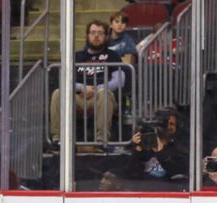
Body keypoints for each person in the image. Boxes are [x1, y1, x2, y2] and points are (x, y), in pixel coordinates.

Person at [50, 20, 124, 152]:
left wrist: (97, 89)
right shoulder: (76, 56)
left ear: (106, 37)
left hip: (101, 98)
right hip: (79, 98)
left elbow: (119, 80)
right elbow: (64, 80)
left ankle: (101, 141)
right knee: (58, 93)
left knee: (104, 94)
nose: (96, 36)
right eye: (93, 32)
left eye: (100, 33)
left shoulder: (113, 56)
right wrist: (82, 88)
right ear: (87, 35)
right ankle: (58, 140)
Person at [128, 107, 188, 183]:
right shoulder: (146, 145)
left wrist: (160, 151)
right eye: (164, 123)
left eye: (172, 124)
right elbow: (132, 174)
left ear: (177, 127)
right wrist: (137, 149)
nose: (168, 126)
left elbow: (175, 171)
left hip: (168, 191)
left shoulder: (179, 148)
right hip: (144, 190)